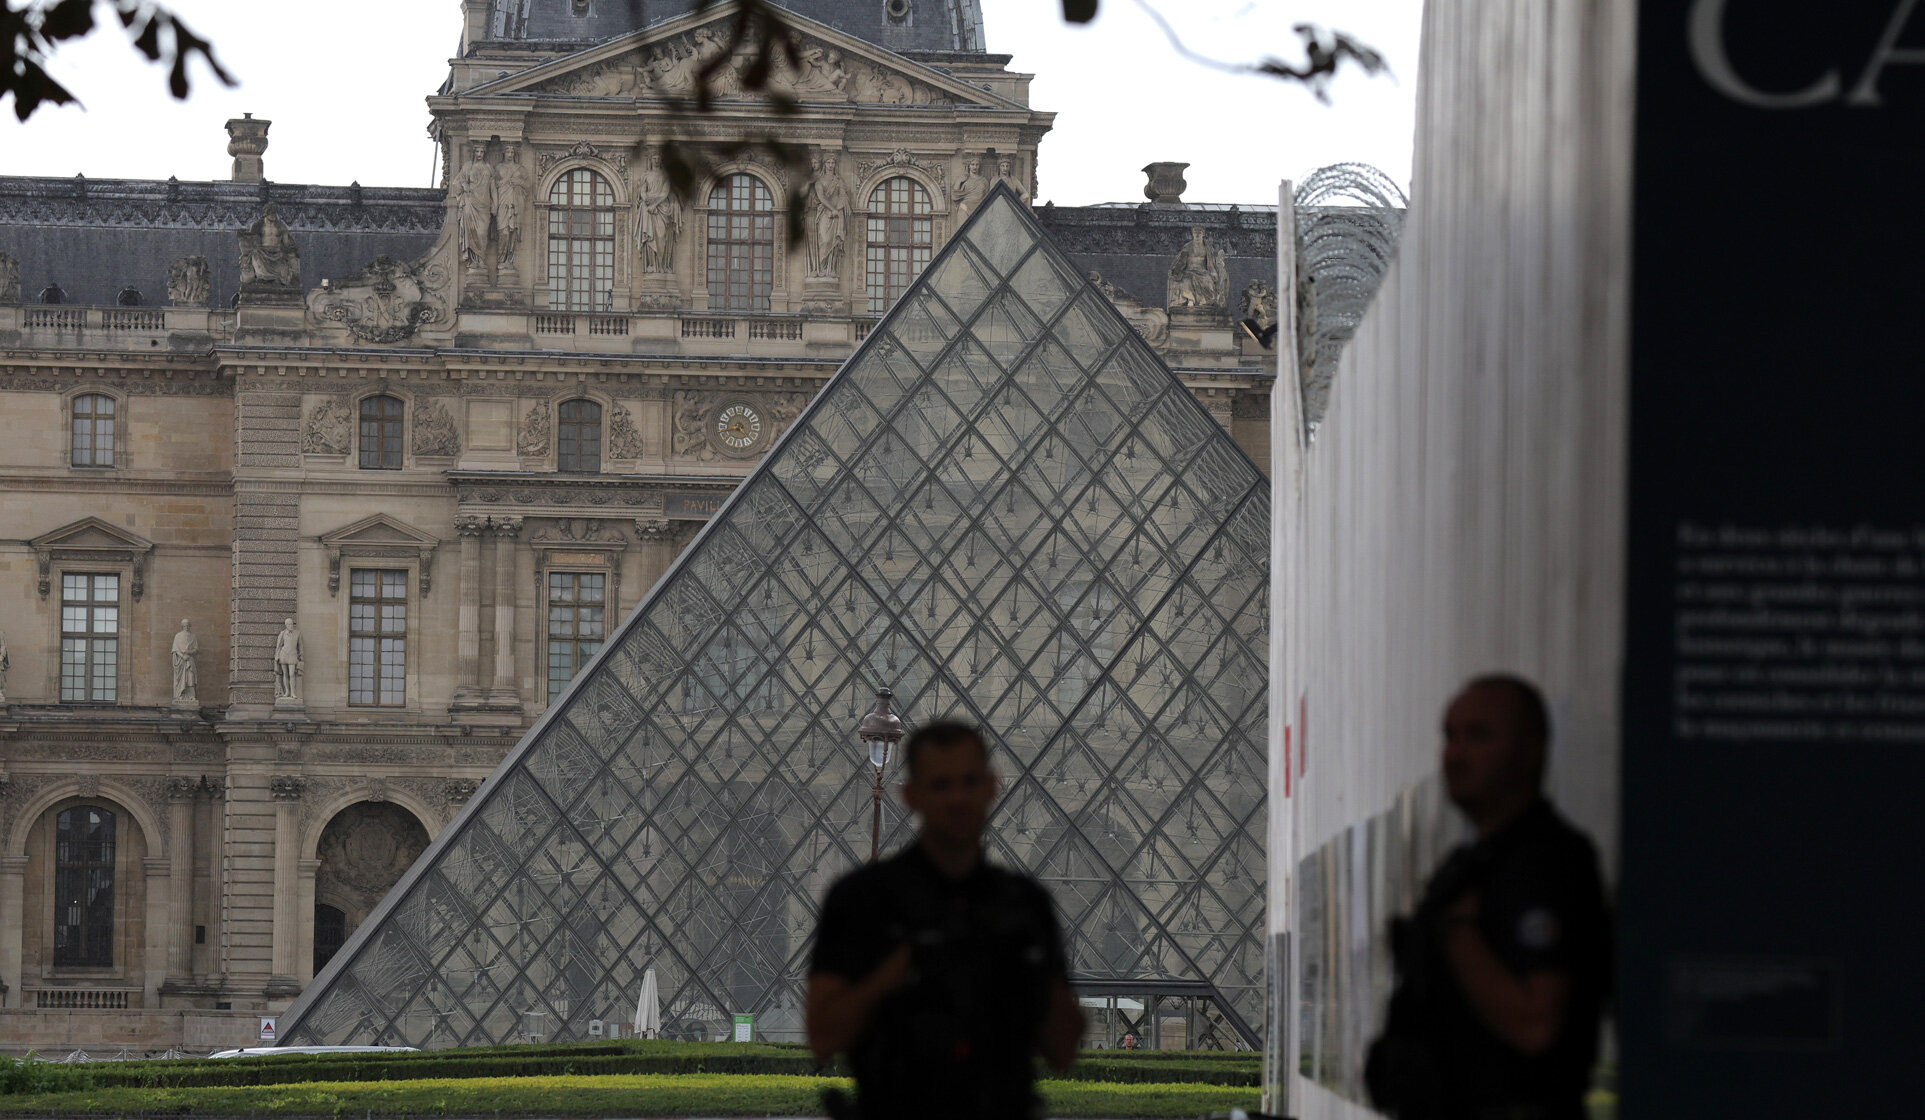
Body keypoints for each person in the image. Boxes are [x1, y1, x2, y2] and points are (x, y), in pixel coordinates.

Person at [806, 720, 1084, 1120]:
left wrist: (1019, 967)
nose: (957, 798)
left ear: (991, 786)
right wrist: (901, 968)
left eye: (969, 782)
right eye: (941, 784)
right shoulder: (862, 900)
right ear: (911, 795)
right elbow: (823, 1036)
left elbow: (1063, 1049)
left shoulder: (1024, 906)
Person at [1366, 675, 1610, 1120]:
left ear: (1531, 750)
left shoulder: (1545, 862)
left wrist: (1458, 935)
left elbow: (1537, 1023)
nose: (1454, 754)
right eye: (1450, 736)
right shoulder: (1474, 864)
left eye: (1477, 736)